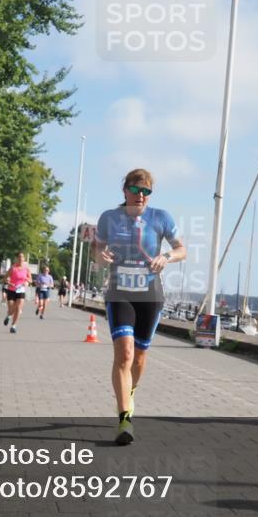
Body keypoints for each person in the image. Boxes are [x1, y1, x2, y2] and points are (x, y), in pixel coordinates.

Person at [94, 168, 186, 445]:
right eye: (136, 190)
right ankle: (124, 419)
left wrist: (166, 256)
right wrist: (101, 254)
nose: (141, 197)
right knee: (124, 354)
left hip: (150, 295)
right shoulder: (109, 218)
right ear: (125, 190)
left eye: (146, 192)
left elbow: (182, 249)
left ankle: (130, 390)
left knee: (140, 358)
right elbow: (96, 251)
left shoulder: (161, 217)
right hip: (119, 293)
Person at [2, 252, 31, 334]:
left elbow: (30, 280)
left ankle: (13, 326)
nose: (21, 259)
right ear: (17, 259)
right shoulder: (12, 268)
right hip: (11, 290)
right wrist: (9, 282)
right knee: (11, 309)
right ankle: (8, 316)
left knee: (18, 308)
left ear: (24, 259)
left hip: (21, 290)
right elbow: (4, 279)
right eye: (19, 257)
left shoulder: (26, 269)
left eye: (22, 257)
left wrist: (27, 282)